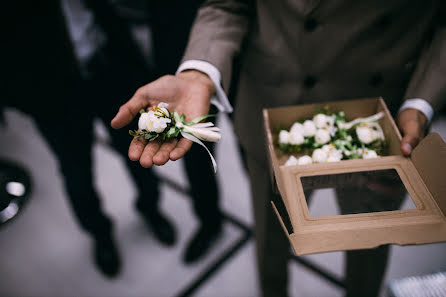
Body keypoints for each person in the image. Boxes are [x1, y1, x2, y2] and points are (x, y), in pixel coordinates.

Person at [111, 1, 446, 296]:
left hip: (378, 115)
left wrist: (419, 105)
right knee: (272, 237)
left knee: (369, 242)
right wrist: (199, 73)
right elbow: (228, 4)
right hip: (276, 106)